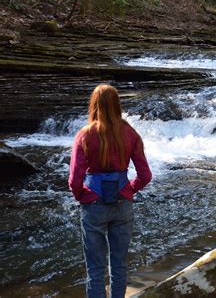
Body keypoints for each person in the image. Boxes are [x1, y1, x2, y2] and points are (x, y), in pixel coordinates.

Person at [68, 84, 152, 298]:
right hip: (122, 203)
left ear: (94, 105)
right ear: (117, 105)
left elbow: (74, 181)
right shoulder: (130, 133)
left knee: (95, 269)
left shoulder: (84, 135)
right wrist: (128, 190)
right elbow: (145, 176)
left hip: (93, 205)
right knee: (119, 265)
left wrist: (83, 196)